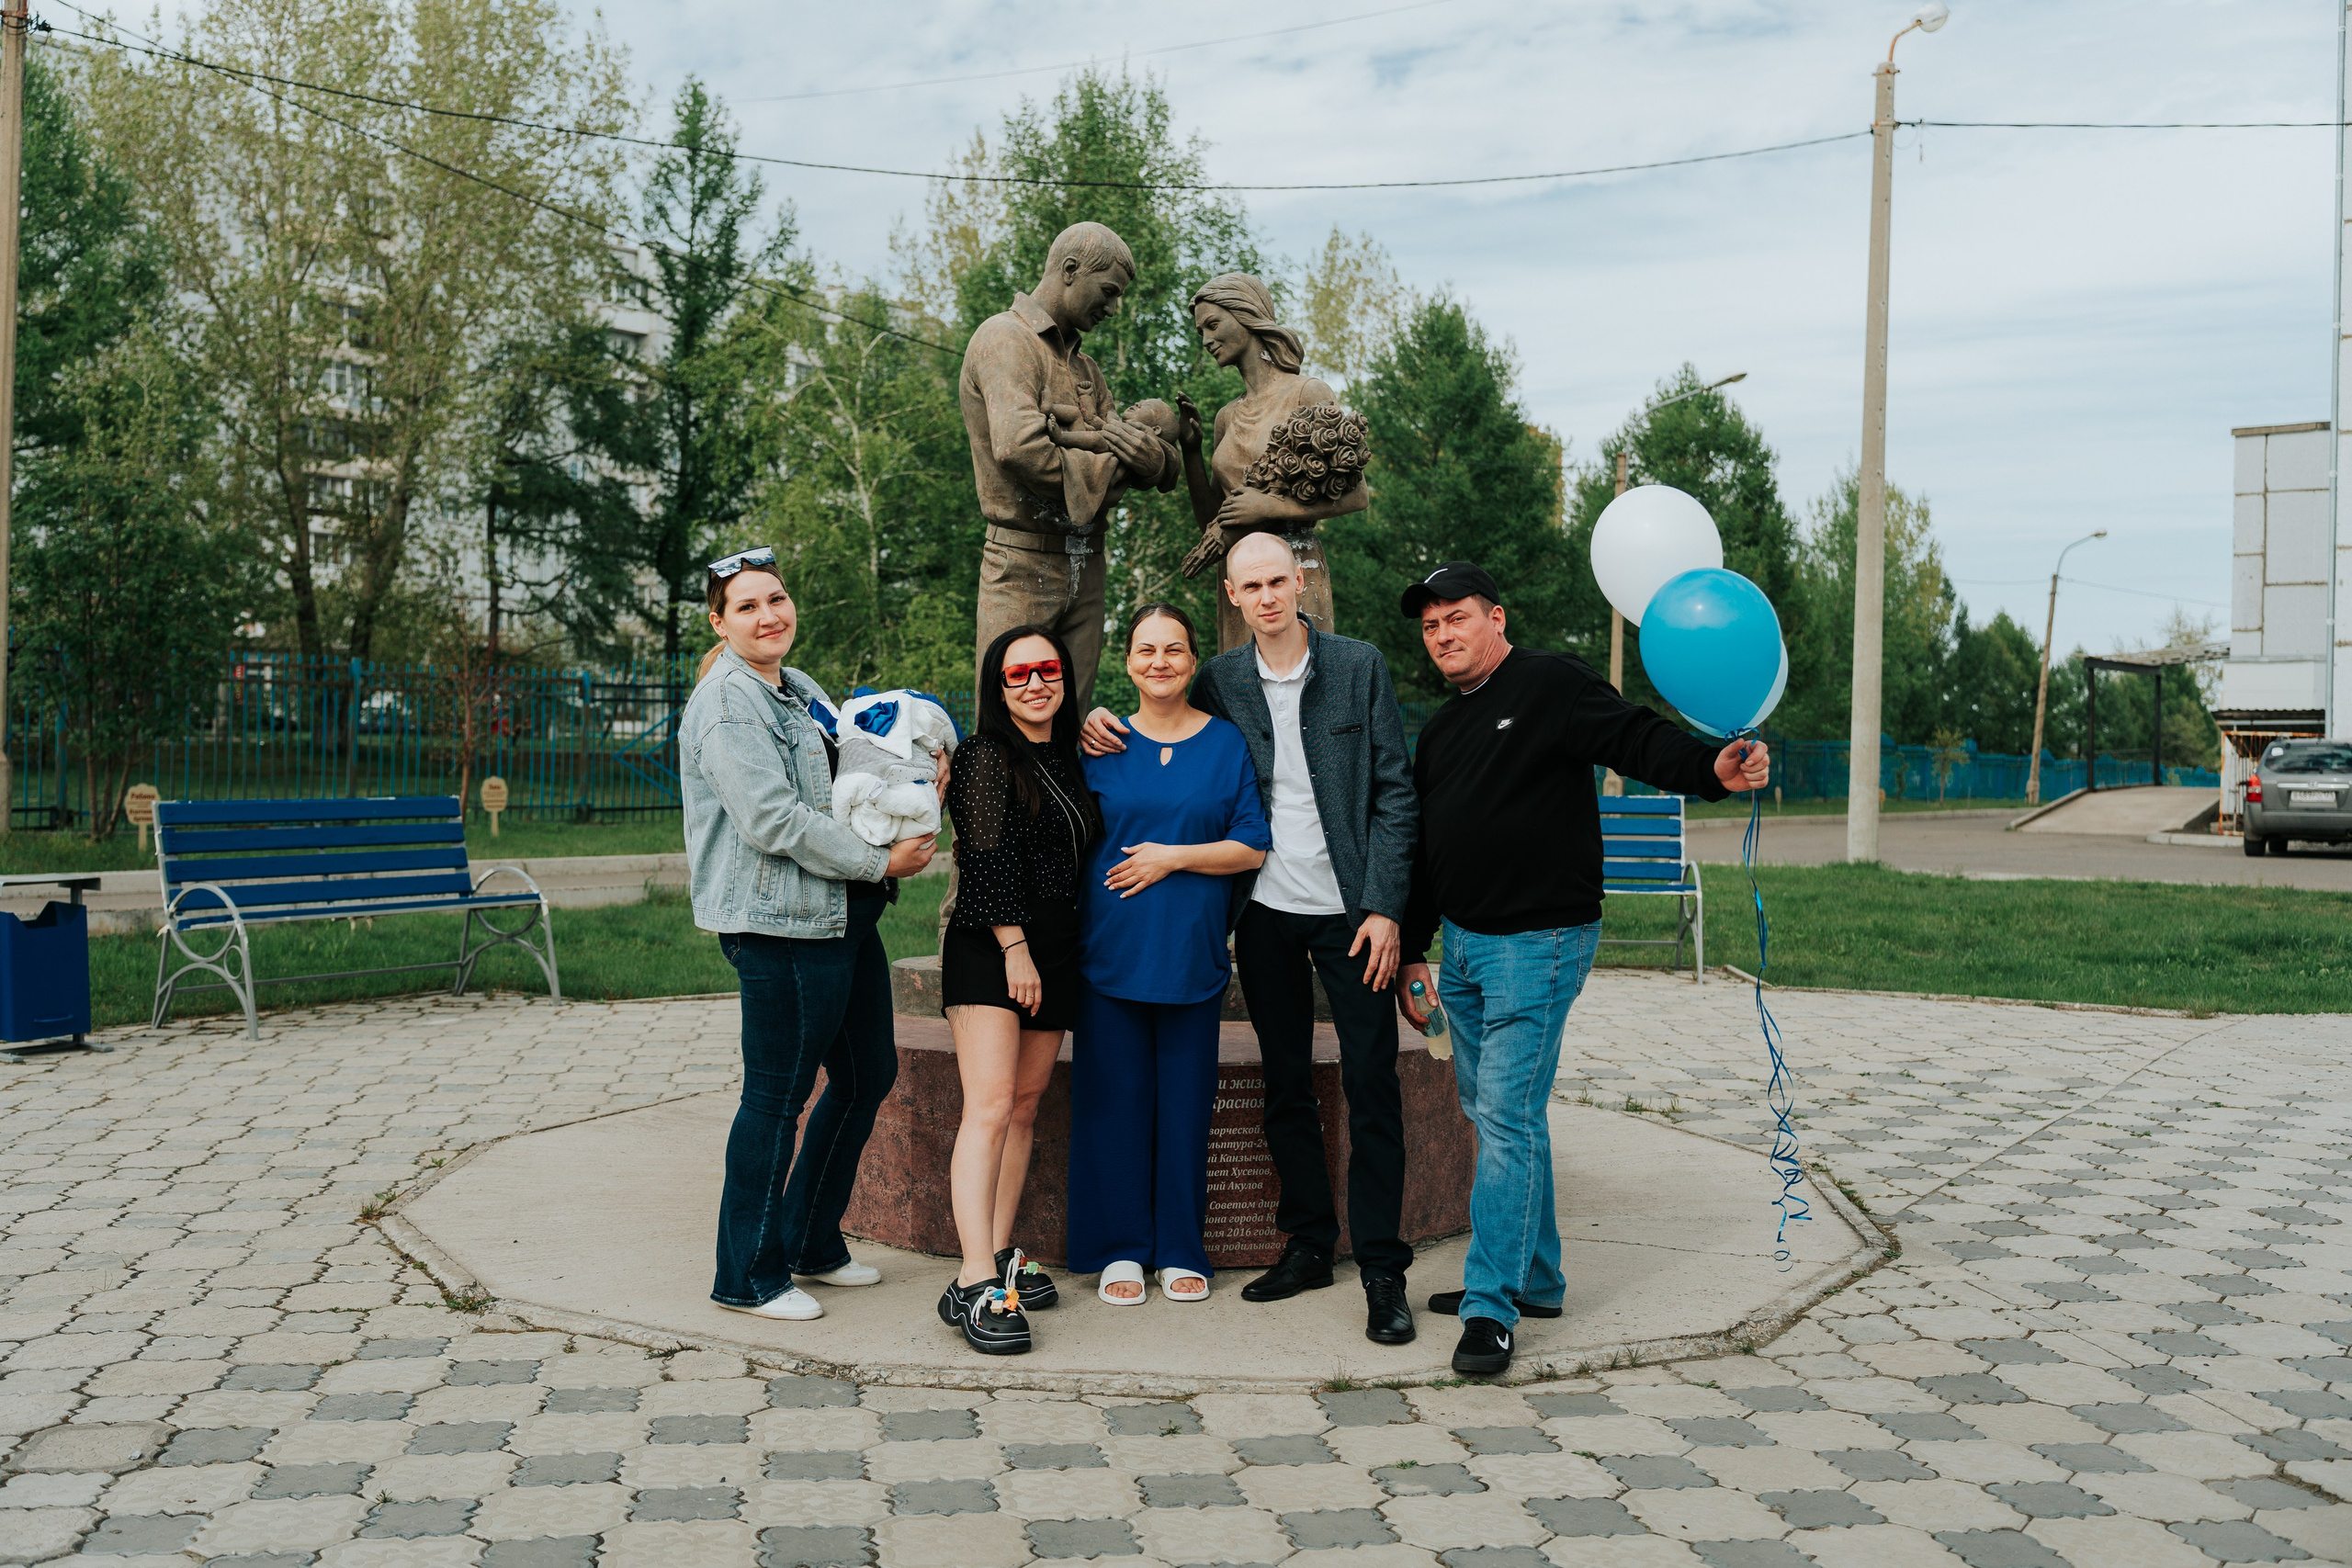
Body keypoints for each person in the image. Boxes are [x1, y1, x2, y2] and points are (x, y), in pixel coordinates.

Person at [1396, 562, 1770, 1376]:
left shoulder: (1551, 683)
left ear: (1497, 617)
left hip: (1540, 942)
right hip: (1460, 945)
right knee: (1497, 1113)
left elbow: (1635, 736)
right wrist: (1419, 945)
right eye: (1430, 626)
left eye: (1457, 617)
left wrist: (1712, 770)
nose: (1444, 635)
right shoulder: (1441, 729)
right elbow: (1429, 847)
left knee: (1504, 1114)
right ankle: (1537, 1276)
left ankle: (1491, 1305)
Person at [1080, 534, 1420, 1345]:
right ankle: (1308, 1243)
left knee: (1371, 1083)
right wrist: (1094, 716)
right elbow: (1164, 717)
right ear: (1231, 595)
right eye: (1251, 586)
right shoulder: (1223, 680)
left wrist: (1385, 906)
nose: (1267, 597)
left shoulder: (1357, 665)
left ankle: (1381, 1267)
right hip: (1263, 912)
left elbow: (1396, 795)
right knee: (1285, 1082)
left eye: (1279, 581)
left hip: (1351, 912)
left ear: (1298, 582)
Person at [680, 546, 941, 1322]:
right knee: (776, 1096)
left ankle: (810, 1242)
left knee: (866, 1075)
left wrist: (917, 781)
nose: (770, 615)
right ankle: (749, 1274)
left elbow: (847, 776)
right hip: (782, 926)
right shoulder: (729, 703)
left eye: (777, 598)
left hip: (842, 915)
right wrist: (878, 857)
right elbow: (770, 819)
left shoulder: (795, 687)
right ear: (720, 622)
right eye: (749, 606)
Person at [1067, 604, 1270, 1306]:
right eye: (1146, 650)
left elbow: (1251, 843)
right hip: (1107, 954)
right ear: (1128, 661)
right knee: (1113, 1104)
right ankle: (1122, 1247)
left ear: (1193, 662)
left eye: (1174, 650)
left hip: (1190, 955)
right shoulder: (1099, 742)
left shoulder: (1225, 744)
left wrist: (1171, 859)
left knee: (1186, 1108)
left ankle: (1182, 1246)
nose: (1160, 662)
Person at [935, 626, 1102, 1356]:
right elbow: (986, 857)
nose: (1034, 683)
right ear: (997, 689)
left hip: (1056, 951)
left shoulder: (1067, 756)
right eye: (1017, 674)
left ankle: (1001, 1249)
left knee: (1027, 1107)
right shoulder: (984, 755)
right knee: (992, 1106)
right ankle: (974, 1282)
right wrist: (1015, 949)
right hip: (993, 947)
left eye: (1047, 669)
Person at [959, 221, 1181, 714]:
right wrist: (1120, 468)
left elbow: (1142, 451)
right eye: (1108, 292)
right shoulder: (1005, 339)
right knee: (1009, 724)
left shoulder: (1087, 369)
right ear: (1070, 270)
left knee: (1072, 724)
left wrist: (1150, 459)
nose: (1114, 308)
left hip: (1088, 563)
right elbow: (1021, 450)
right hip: (1021, 565)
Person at [1176, 273, 1369, 652]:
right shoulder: (1226, 417)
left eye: (1213, 325)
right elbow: (1213, 522)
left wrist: (1267, 505)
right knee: (1243, 694)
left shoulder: (1306, 392)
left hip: (1292, 567)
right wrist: (1191, 453)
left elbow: (1357, 496)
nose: (1206, 340)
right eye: (1201, 331)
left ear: (1247, 315)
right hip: (1239, 574)